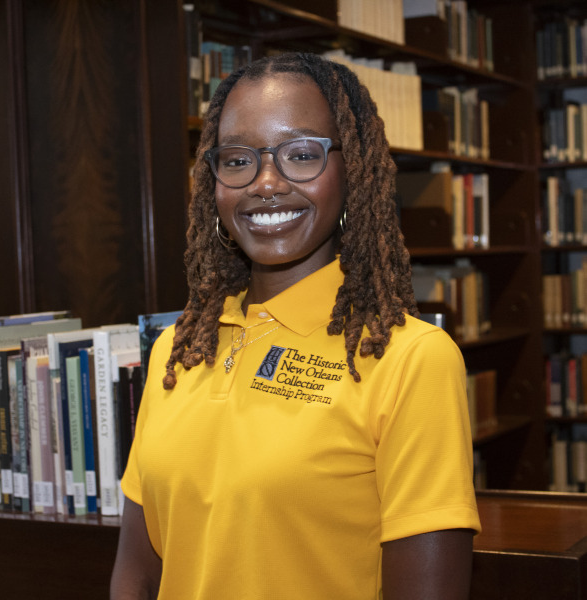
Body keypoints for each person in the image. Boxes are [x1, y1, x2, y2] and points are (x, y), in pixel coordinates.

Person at [110, 52, 481, 600]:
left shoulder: (409, 359)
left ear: (351, 168)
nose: (265, 183)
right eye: (237, 160)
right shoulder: (177, 350)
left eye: (300, 155)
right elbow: (137, 573)